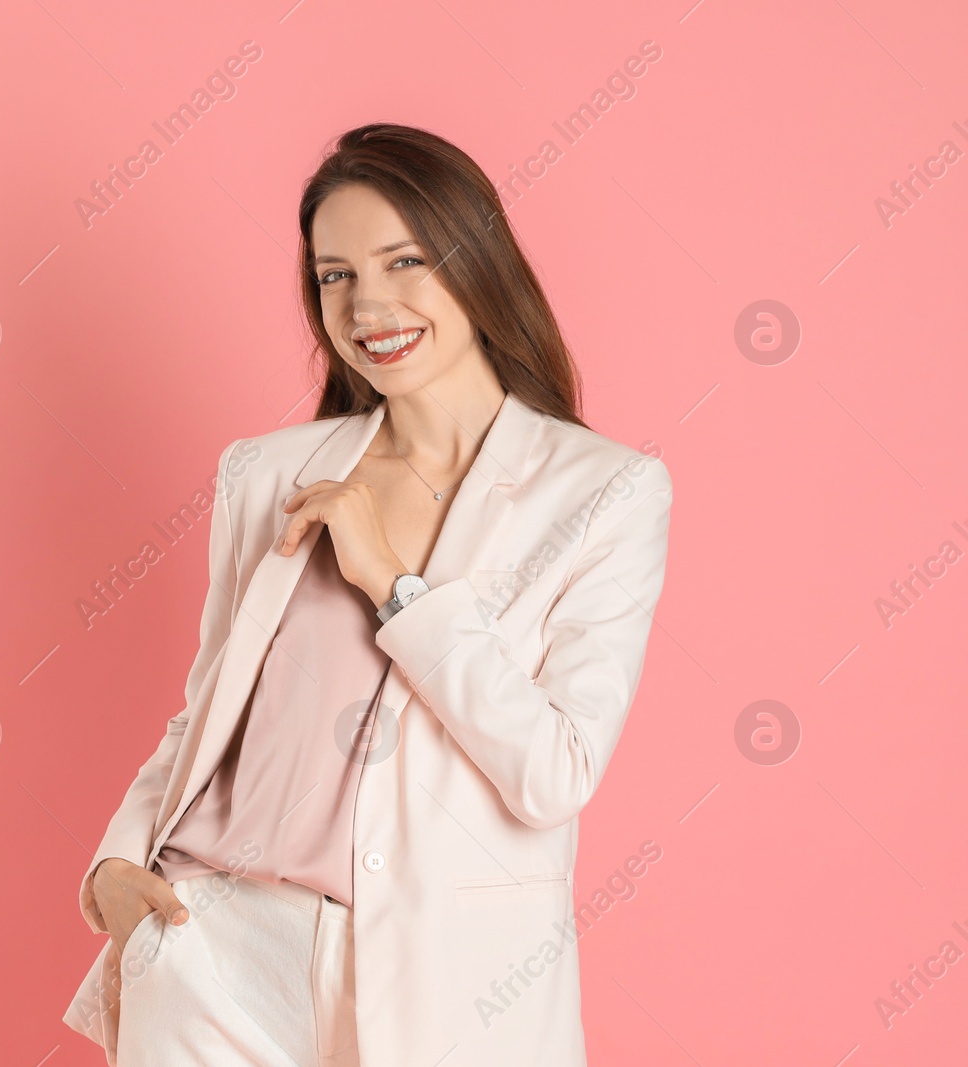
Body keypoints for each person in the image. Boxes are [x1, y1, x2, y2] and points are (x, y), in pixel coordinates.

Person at [62, 122, 674, 1067]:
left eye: (404, 261)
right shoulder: (268, 474)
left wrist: (396, 584)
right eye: (334, 273)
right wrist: (115, 863)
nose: (367, 304)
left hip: (442, 982)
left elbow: (555, 769)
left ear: (480, 264)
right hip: (209, 952)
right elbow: (207, 714)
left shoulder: (602, 492)